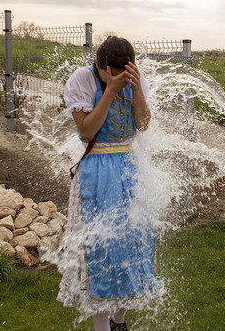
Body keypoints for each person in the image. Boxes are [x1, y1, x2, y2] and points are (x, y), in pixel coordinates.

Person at [57, 36, 162, 331]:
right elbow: (87, 131)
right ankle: (101, 326)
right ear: (99, 66)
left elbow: (142, 124)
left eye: (123, 72)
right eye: (111, 73)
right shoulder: (83, 79)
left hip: (129, 166)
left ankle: (120, 321)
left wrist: (136, 88)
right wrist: (110, 91)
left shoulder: (134, 78)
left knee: (133, 243)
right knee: (101, 248)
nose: (117, 78)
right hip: (98, 170)